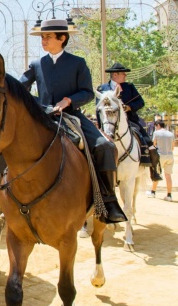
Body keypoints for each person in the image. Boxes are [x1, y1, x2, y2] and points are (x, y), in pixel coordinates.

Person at [19, 18, 127, 224]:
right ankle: (3, 194)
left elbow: (87, 92)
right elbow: (20, 88)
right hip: (42, 117)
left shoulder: (78, 63)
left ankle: (108, 201)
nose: (43, 40)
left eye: (47, 37)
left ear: (62, 38)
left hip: (71, 116)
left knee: (104, 145)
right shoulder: (36, 64)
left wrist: (69, 100)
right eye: (42, 37)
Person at [97, 62, 162, 181]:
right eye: (123, 74)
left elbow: (140, 102)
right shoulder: (102, 89)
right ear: (115, 75)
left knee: (148, 142)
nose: (125, 76)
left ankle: (154, 170)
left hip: (129, 120)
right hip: (107, 122)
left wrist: (129, 107)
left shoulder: (129, 87)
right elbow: (98, 107)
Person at [147, 120, 174, 201]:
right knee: (168, 175)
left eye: (156, 126)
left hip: (160, 155)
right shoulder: (171, 134)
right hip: (170, 155)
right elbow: (172, 147)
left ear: (158, 125)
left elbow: (154, 144)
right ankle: (169, 195)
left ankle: (153, 192)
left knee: (157, 174)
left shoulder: (156, 133)